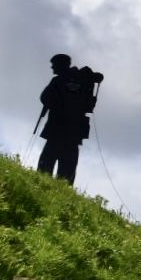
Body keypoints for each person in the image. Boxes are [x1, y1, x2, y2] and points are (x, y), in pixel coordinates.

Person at [35, 54, 102, 184]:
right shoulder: (83, 80)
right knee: (67, 172)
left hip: (56, 130)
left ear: (62, 65)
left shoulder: (58, 81)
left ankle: (42, 186)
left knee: (45, 165)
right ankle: (63, 193)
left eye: (54, 65)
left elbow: (45, 98)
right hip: (74, 133)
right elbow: (97, 79)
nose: (52, 68)